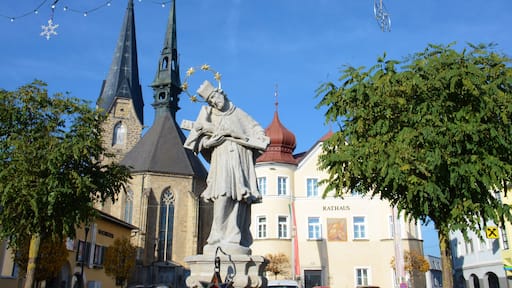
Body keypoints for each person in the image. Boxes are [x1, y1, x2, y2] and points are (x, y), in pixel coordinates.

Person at [184, 80, 269, 255]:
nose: (215, 102)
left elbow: (258, 131)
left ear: (221, 93)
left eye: (215, 97)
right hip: (221, 159)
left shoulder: (239, 113)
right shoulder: (208, 115)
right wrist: (209, 142)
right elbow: (198, 141)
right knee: (222, 194)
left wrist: (243, 137)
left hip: (240, 160)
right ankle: (217, 237)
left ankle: (234, 236)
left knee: (238, 197)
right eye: (211, 102)